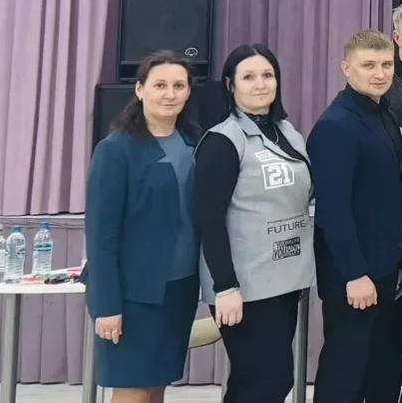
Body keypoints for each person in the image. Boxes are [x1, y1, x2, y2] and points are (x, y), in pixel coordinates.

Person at [196, 45, 312, 403]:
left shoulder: (287, 132)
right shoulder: (222, 140)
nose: (260, 84)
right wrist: (225, 287)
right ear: (231, 85)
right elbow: (209, 219)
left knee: (259, 383)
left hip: (284, 278)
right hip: (243, 285)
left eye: (267, 75)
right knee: (267, 382)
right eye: (248, 77)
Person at [87, 51, 201, 402]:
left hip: (180, 288)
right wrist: (106, 306)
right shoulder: (115, 150)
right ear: (140, 90)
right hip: (133, 294)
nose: (170, 94)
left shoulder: (194, 142)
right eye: (160, 85)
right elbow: (101, 236)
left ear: (188, 92)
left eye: (178, 86)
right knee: (133, 387)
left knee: (156, 385)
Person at [310, 31, 402, 403]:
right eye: (369, 65)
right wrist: (354, 274)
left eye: (386, 65)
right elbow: (333, 212)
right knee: (345, 373)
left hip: (384, 268)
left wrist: (398, 262)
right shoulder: (336, 125)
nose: (380, 73)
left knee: (377, 369)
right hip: (353, 274)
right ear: (346, 68)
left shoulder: (384, 115)